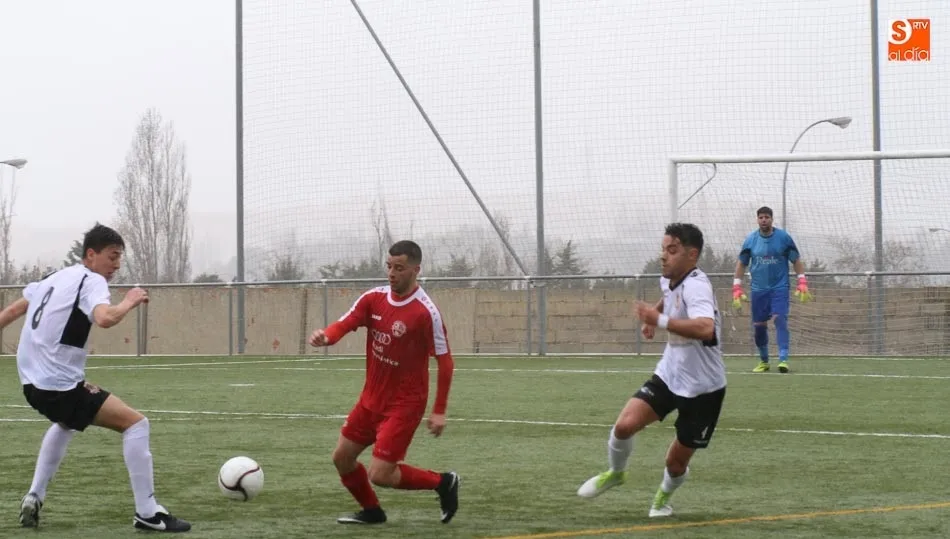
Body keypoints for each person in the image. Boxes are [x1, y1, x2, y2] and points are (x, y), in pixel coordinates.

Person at [0, 223, 190, 532]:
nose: (116, 265)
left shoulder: (54, 277)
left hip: (30, 384)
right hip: (58, 384)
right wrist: (130, 300)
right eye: (112, 257)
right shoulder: (92, 280)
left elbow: (13, 311)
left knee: (67, 422)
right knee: (136, 424)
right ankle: (148, 512)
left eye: (119, 259)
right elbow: (104, 319)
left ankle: (34, 495)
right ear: (91, 254)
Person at [576, 223, 726, 518]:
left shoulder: (697, 286)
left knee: (675, 463)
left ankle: (662, 498)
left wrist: (659, 321)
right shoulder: (668, 279)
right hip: (669, 375)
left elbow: (705, 327)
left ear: (692, 254)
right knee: (623, 427)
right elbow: (669, 298)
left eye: (672, 250)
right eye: (663, 250)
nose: (664, 257)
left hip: (703, 389)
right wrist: (654, 315)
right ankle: (616, 473)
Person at [308, 240, 460, 525]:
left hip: (404, 405)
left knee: (381, 474)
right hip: (371, 400)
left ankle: (443, 482)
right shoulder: (373, 299)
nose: (392, 273)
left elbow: (445, 361)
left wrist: (439, 409)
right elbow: (346, 322)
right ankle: (372, 512)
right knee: (342, 458)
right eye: (389, 266)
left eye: (399, 268)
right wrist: (326, 337)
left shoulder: (426, 312)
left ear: (416, 270)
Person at [732, 206, 812, 373]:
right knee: (759, 326)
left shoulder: (783, 238)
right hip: (759, 290)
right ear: (757, 220)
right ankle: (764, 361)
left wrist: (802, 280)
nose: (764, 220)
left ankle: (783, 359)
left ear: (772, 219)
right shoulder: (751, 240)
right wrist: (737, 286)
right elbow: (742, 262)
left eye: (767, 217)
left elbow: (796, 260)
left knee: (779, 318)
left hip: (779, 288)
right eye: (761, 217)